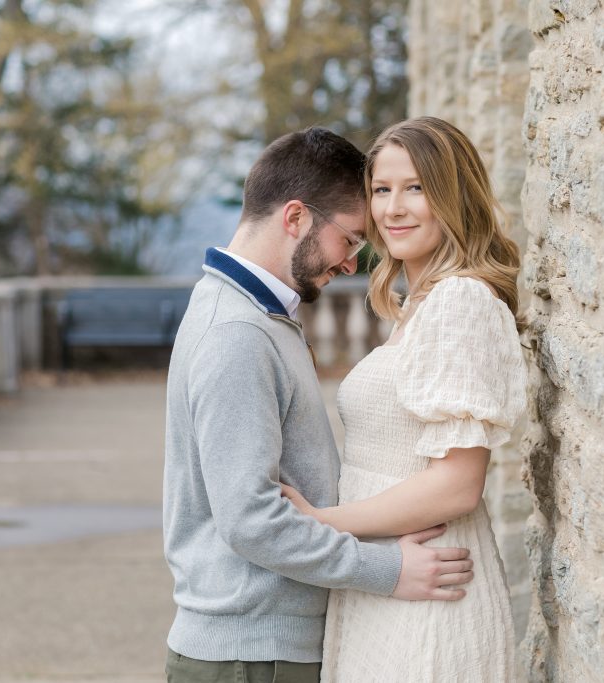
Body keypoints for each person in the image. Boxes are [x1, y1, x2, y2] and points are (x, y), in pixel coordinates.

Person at [162, 126, 476, 683]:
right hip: (252, 655)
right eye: (351, 240)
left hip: (262, 649)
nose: (352, 263)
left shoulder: (259, 316)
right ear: (296, 218)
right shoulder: (236, 332)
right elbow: (251, 520)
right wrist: (388, 570)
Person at [280, 116, 528, 682]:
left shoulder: (460, 300)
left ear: (453, 195)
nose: (393, 208)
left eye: (416, 188)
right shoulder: (420, 304)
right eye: (381, 190)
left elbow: (458, 482)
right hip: (391, 579)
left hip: (432, 591)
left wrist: (323, 523)